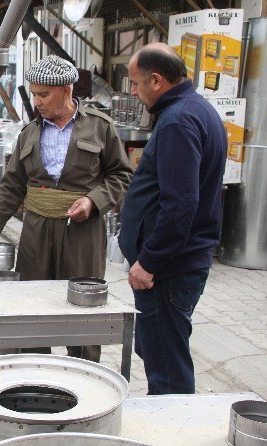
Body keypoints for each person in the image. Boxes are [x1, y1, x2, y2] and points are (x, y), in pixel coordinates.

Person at [0, 56, 132, 362]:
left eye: (43, 94)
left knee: (83, 306)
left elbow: (121, 174)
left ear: (66, 90)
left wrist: (93, 201)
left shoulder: (100, 127)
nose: (37, 101)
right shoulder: (29, 134)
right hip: (36, 231)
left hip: (83, 232)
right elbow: (12, 186)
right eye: (34, 94)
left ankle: (84, 373)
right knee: (32, 307)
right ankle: (36, 370)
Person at [119, 43, 227, 395]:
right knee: (159, 352)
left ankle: (174, 428)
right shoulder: (193, 109)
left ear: (156, 80)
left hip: (166, 271)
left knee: (168, 369)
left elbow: (181, 203)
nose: (134, 92)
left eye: (135, 84)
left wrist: (148, 262)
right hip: (176, 265)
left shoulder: (178, 121)